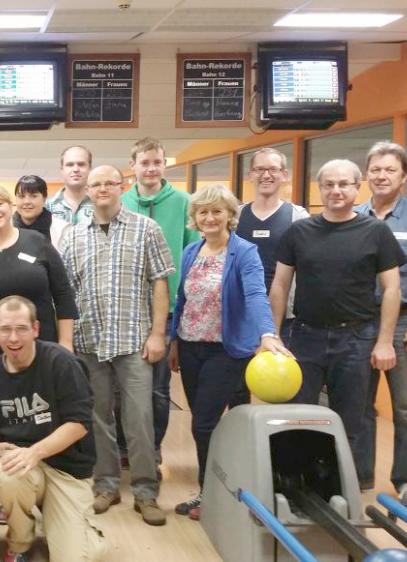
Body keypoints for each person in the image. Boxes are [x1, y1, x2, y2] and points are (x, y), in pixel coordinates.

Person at [271, 158, 405, 493]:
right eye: (329, 184)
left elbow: (392, 289)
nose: (336, 190)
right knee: (297, 413)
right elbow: (280, 285)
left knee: (354, 417)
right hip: (305, 336)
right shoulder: (299, 232)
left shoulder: (376, 231)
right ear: (320, 188)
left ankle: (352, 484)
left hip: (357, 337)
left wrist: (384, 341)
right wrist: (272, 336)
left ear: (356, 187)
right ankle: (294, 481)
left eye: (344, 184)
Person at [168, 185, 290, 520]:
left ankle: (210, 494)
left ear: (230, 215)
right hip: (191, 346)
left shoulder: (245, 252)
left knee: (204, 422)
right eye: (203, 212)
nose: (209, 217)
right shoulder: (192, 251)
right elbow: (183, 300)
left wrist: (267, 333)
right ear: (195, 217)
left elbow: (255, 294)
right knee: (202, 421)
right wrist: (174, 340)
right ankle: (222, 487)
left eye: (217, 211)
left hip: (227, 349)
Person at [61, 164, 174, 526]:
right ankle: (106, 485)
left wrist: (158, 334)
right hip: (88, 340)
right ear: (88, 190)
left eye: (110, 182)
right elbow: (65, 292)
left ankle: (146, 492)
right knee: (97, 418)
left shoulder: (147, 229)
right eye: (97, 184)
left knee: (139, 418)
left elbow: (159, 283)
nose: (103, 188)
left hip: (133, 341)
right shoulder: (73, 235)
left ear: (122, 187)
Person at [0, 296, 107, 562]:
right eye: (6, 329)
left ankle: (74, 524)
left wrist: (34, 452)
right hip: (23, 472)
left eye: (21, 328)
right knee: (8, 476)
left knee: (79, 556)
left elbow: (79, 425)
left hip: (67, 470)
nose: (13, 337)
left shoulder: (61, 363)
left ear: (35, 328)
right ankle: (19, 543)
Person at [120, 137, 198, 469]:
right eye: (145, 162)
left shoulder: (183, 202)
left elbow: (193, 255)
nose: (151, 168)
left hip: (165, 312)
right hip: (125, 310)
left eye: (157, 162)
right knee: (121, 385)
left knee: (157, 387)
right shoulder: (120, 201)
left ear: (165, 165)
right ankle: (125, 447)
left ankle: (152, 447)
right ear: (133, 165)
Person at [353, 141, 407, 509]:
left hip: (405, 321)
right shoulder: (354, 214)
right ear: (366, 174)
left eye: (390, 170)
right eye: (375, 169)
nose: (381, 176)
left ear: (404, 177)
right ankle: (360, 476)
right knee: (358, 404)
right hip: (359, 321)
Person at [0, 183, 77, 384]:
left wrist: (65, 344)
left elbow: (63, 295)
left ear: (10, 207)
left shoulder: (38, 242)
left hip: (39, 349)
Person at [231, 147, 309, 408]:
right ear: (250, 174)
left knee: (282, 394)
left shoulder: (298, 217)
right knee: (237, 392)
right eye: (260, 169)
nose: (266, 175)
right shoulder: (235, 216)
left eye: (273, 169)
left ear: (284, 175)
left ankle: (282, 448)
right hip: (240, 318)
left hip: (284, 321)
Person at [13, 175, 68, 248]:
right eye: (21, 196)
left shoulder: (62, 229)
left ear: (44, 199)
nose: (26, 201)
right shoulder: (5, 228)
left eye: (33, 196)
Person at [46, 146, 94, 225]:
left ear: (90, 169)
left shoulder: (101, 206)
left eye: (81, 164)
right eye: (70, 165)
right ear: (62, 170)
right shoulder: (46, 207)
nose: (75, 169)